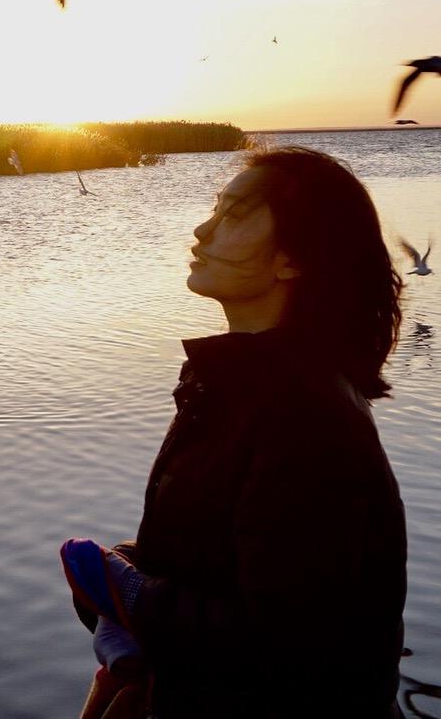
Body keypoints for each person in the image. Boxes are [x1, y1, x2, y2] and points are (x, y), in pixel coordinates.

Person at [61, 146, 408, 718]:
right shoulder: (242, 385)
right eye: (214, 208)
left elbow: (287, 642)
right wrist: (120, 574)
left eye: (236, 214)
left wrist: (131, 594)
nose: (202, 231)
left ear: (295, 260)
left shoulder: (304, 417)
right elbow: (228, 563)